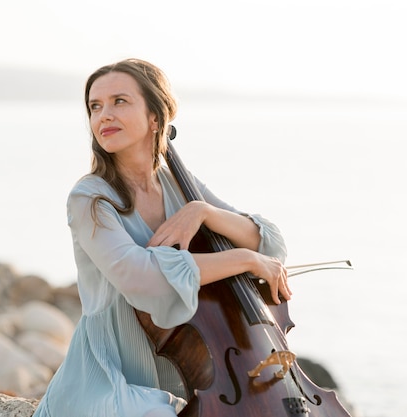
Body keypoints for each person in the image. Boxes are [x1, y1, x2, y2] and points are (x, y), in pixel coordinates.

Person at [32, 58, 291, 417]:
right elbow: (141, 277)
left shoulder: (178, 185)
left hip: (189, 374)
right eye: (95, 106)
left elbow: (270, 245)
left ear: (155, 117)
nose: (103, 115)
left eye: (119, 101)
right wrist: (245, 261)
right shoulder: (90, 198)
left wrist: (204, 212)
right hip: (111, 376)